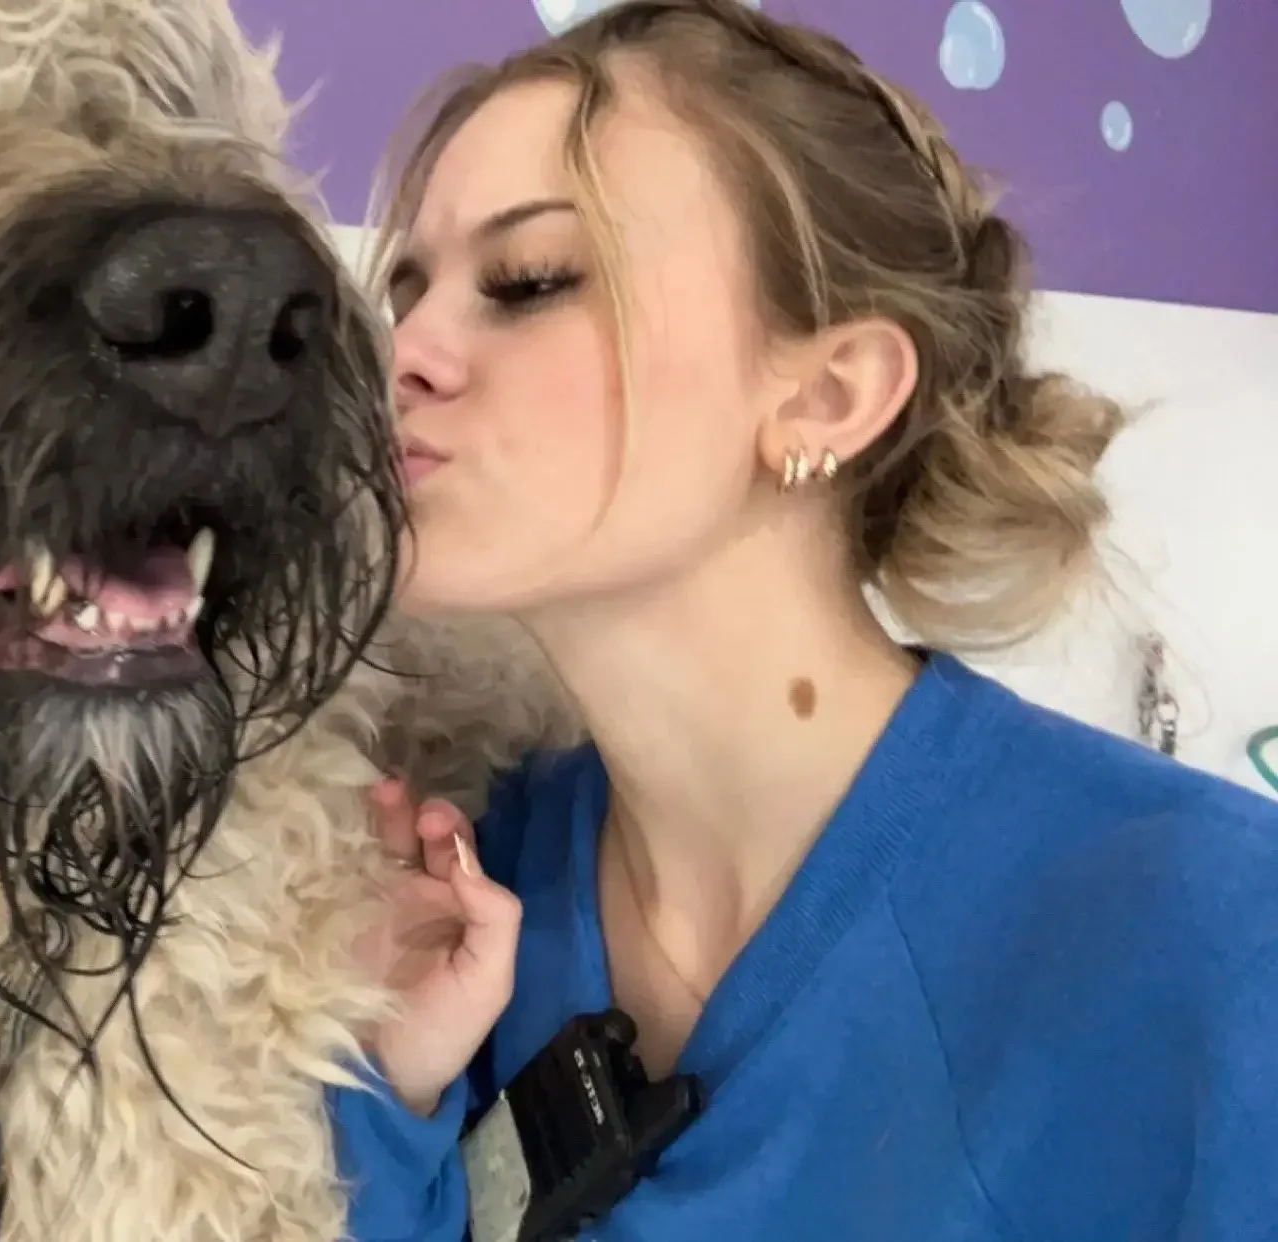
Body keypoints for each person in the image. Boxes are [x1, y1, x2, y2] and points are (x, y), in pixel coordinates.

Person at [329, 2, 1278, 1239]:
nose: (405, 349)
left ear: (829, 395)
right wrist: (386, 1100)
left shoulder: (1215, 943)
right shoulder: (459, 898)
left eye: (530, 281)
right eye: (410, 288)